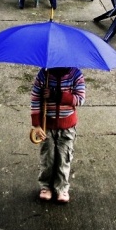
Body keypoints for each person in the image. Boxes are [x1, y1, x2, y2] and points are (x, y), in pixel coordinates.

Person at [30, 67, 85, 203]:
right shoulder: (44, 74)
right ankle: (46, 186)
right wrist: (36, 124)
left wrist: (57, 95)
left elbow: (80, 99)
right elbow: (35, 99)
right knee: (48, 157)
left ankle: (61, 188)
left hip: (67, 126)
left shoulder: (75, 74)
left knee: (63, 157)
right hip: (46, 126)